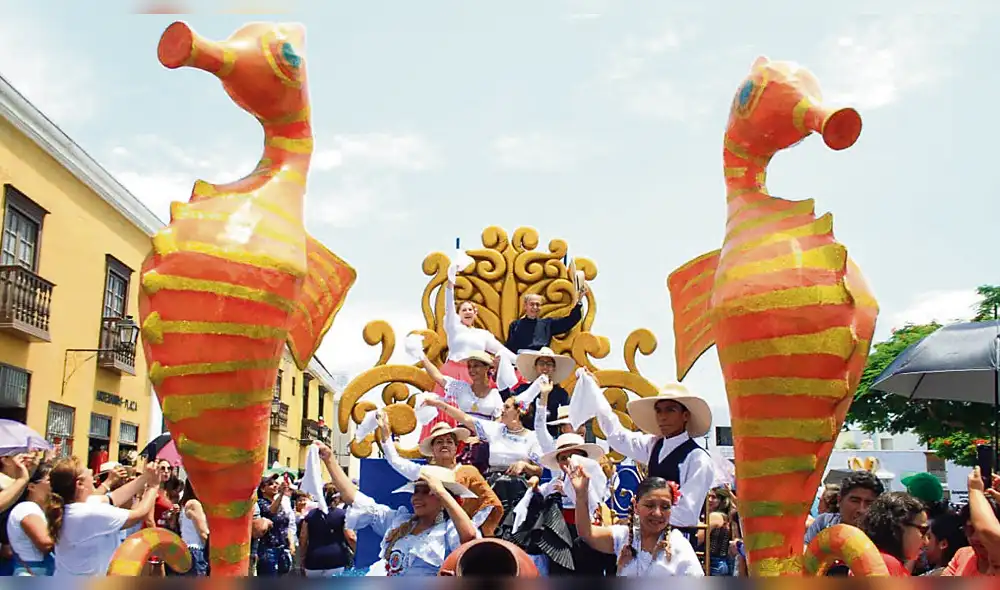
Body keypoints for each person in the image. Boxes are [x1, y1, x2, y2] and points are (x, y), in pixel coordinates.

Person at [314, 442, 480, 576]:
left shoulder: (448, 531)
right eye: (415, 492)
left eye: (426, 492)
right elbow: (355, 498)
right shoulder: (400, 521)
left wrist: (441, 491)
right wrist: (329, 460)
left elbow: (470, 538)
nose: (416, 498)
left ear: (443, 498)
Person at [577, 381, 714, 541]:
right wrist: (595, 393)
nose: (662, 416)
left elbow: (687, 514)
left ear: (685, 415)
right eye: (659, 411)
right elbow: (618, 437)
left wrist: (643, 515)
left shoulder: (697, 458)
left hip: (676, 541)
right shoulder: (654, 444)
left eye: (670, 410)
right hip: (646, 537)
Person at [425, 396, 542, 537]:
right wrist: (438, 404)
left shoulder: (533, 437)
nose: (502, 410)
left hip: (519, 489)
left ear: (519, 411)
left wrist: (524, 465)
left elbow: (539, 470)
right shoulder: (495, 430)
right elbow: (465, 418)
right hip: (494, 485)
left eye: (507, 407)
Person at [377, 414, 504, 537]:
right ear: (432, 449)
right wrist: (385, 435)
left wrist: (471, 527)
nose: (444, 445)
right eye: (439, 442)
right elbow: (396, 461)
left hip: (459, 535)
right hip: (429, 536)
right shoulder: (425, 472)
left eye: (449, 442)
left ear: (455, 448)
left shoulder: (469, 472)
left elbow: (490, 502)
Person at [512, 429, 611, 576]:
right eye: (562, 458)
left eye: (572, 456)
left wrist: (569, 492)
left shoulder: (593, 476)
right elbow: (541, 492)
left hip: (587, 532)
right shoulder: (557, 481)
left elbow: (596, 500)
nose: (567, 461)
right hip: (561, 534)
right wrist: (535, 486)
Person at [570, 474, 703, 577]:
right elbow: (587, 533)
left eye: (665, 507)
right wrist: (581, 495)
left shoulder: (679, 546)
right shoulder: (625, 537)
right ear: (636, 506)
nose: (657, 513)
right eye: (649, 505)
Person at [48, 458, 159, 576]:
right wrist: (154, 486)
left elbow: (115, 497)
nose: (93, 476)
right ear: (79, 484)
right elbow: (138, 514)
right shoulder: (86, 513)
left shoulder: (79, 506)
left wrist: (145, 476)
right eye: (89, 473)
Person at [500, 347, 575, 438]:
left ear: (554, 368)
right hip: (523, 438)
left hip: (551, 440)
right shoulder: (522, 390)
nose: (545, 367)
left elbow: (566, 421)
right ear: (535, 367)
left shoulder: (561, 394)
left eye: (549, 364)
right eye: (541, 363)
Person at [943, 467, 1000, 576]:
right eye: (969, 530)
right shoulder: (962, 555)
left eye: (997, 567)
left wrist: (975, 490)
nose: (975, 538)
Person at [858, 492, 928, 576]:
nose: (926, 541)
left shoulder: (875, 559)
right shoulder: (886, 564)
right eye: (923, 531)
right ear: (899, 525)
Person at [296, 484, 355, 577]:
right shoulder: (342, 515)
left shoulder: (311, 515)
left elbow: (303, 538)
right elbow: (350, 537)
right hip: (336, 559)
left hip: (313, 560)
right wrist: (357, 553)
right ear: (337, 498)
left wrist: (302, 557)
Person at [6, 462, 54, 576]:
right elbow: (45, 543)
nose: (54, 484)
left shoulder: (38, 509)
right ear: (32, 486)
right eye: (49, 480)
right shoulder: (27, 508)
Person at [505, 292, 584, 354]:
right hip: (521, 362)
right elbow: (510, 348)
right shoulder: (515, 325)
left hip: (541, 362)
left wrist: (579, 302)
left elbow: (569, 322)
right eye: (532, 304)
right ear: (525, 306)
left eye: (538, 305)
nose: (535, 307)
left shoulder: (547, 324)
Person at [255, 474, 295, 576]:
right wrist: (281, 494)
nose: (275, 486)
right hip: (268, 549)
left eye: (276, 483)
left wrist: (291, 542)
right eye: (270, 484)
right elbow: (271, 512)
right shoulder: (261, 503)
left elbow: (286, 524)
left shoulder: (279, 504)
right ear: (263, 489)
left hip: (281, 548)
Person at [178, 479, 210, 576]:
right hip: (196, 551)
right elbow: (203, 533)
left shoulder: (186, 503)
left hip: (187, 550)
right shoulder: (194, 504)